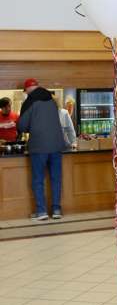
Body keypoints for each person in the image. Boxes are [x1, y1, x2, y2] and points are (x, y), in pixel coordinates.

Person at [17, 78, 65, 221]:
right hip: (56, 145)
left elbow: (22, 126)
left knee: (38, 179)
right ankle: (56, 210)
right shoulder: (52, 100)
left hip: (39, 146)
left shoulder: (30, 102)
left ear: (27, 90)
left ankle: (41, 211)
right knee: (56, 178)